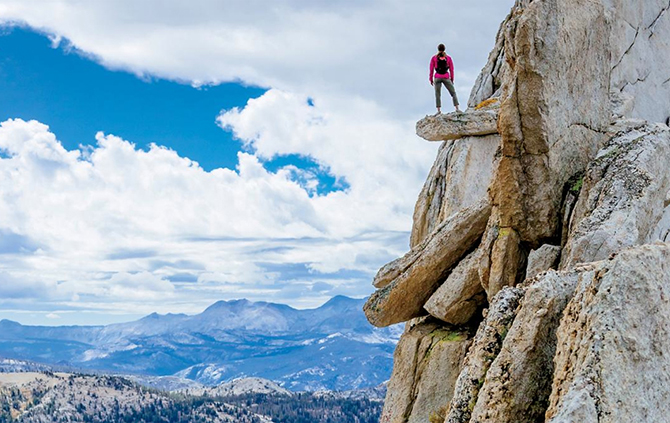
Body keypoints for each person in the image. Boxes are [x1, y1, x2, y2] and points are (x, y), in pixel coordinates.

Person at [429, 44, 460, 114]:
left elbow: (431, 69)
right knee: (453, 93)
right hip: (446, 77)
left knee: (437, 94)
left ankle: (438, 110)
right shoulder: (448, 58)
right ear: (444, 49)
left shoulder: (434, 58)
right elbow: (451, 69)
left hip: (437, 77)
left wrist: (430, 79)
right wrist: (452, 79)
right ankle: (457, 108)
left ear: (438, 49)